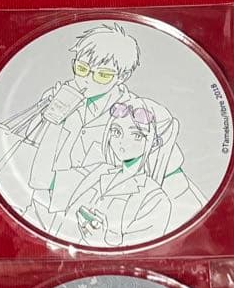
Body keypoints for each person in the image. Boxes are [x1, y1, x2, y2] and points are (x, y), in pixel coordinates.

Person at [0, 24, 142, 230]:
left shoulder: (132, 114)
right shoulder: (62, 93)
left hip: (91, 206)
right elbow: (30, 138)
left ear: (122, 76)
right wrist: (50, 110)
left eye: (102, 75)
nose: (87, 80)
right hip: (42, 195)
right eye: (82, 69)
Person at [60, 97, 193, 246]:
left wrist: (100, 241)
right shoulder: (100, 171)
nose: (122, 142)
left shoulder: (155, 199)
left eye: (137, 135)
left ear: (154, 143)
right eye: (116, 131)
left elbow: (141, 252)